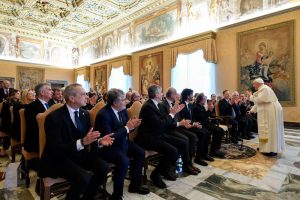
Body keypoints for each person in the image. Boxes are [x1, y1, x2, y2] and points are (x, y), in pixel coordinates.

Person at [39, 84, 113, 200]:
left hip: (78, 154)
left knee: (103, 166)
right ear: (72, 98)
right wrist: (82, 143)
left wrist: (99, 141)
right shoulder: (54, 118)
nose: (87, 97)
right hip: (59, 158)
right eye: (83, 94)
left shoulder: (84, 114)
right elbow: (56, 149)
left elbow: (87, 138)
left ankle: (88, 197)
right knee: (84, 177)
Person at [94, 88, 149, 200]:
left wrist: (132, 126)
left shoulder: (123, 109)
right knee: (124, 161)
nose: (126, 102)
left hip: (123, 142)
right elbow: (109, 138)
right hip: (109, 147)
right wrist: (127, 128)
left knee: (140, 152)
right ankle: (117, 195)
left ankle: (135, 185)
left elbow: (126, 129)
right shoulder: (103, 115)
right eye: (123, 100)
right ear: (114, 103)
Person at [136, 85, 185, 189]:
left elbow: (163, 122)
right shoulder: (148, 107)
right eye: (161, 92)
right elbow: (161, 124)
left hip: (158, 134)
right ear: (156, 94)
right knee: (172, 151)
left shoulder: (155, 104)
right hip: (148, 138)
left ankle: (165, 169)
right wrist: (171, 114)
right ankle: (156, 174)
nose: (163, 94)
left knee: (182, 143)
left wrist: (173, 113)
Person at [248, 78, 284, 156]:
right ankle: (265, 148)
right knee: (266, 130)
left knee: (270, 130)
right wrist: (252, 110)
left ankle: (271, 149)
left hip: (270, 112)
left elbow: (260, 100)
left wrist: (250, 96)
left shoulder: (264, 89)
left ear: (258, 83)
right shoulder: (262, 89)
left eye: (254, 84)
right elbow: (258, 103)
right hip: (268, 111)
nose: (253, 86)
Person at [24, 83, 53, 153]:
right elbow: (33, 126)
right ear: (42, 93)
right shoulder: (31, 107)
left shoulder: (52, 105)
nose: (52, 91)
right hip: (37, 139)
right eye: (49, 89)